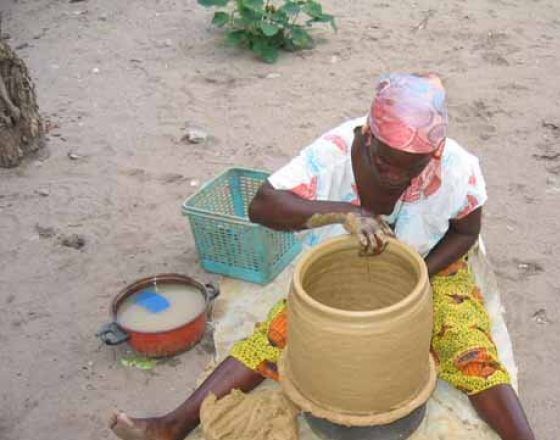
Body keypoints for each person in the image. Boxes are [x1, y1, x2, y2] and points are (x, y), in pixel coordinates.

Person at [110, 73, 536, 440]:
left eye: (412, 168)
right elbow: (262, 205)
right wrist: (346, 213)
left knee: (470, 347)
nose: (395, 177)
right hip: (344, 263)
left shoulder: (457, 168)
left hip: (432, 266)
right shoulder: (332, 155)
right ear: (368, 137)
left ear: (434, 154)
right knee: (281, 332)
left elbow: (466, 232)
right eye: (384, 163)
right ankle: (172, 425)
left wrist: (421, 276)